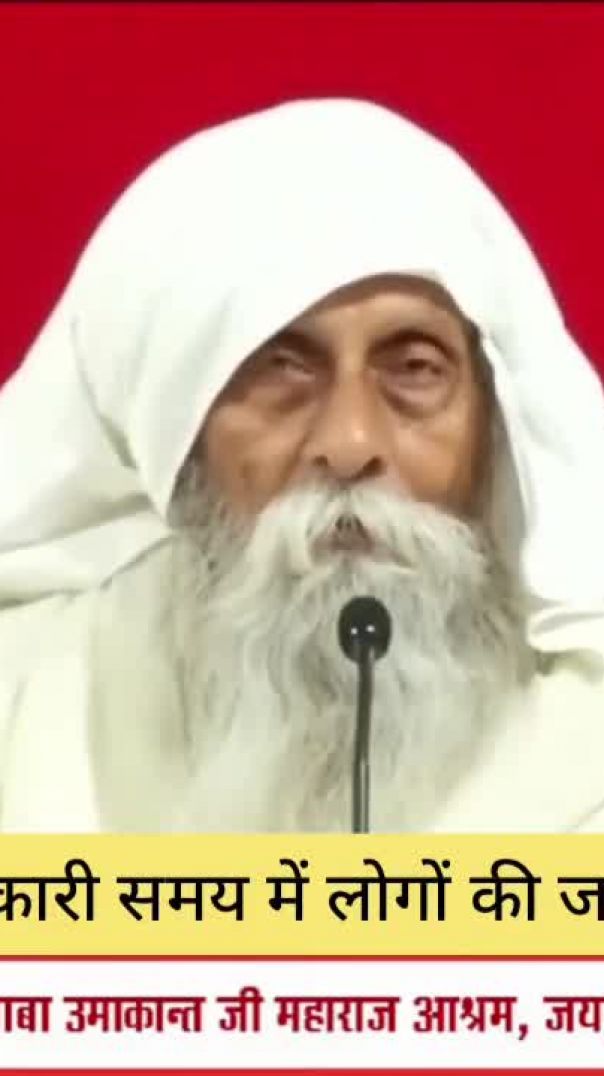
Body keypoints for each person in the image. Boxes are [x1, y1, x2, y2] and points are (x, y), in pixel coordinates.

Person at [1, 97, 604, 833]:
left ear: (493, 424)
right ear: (177, 428)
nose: (349, 443)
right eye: (281, 370)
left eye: (414, 369)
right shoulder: (27, 715)